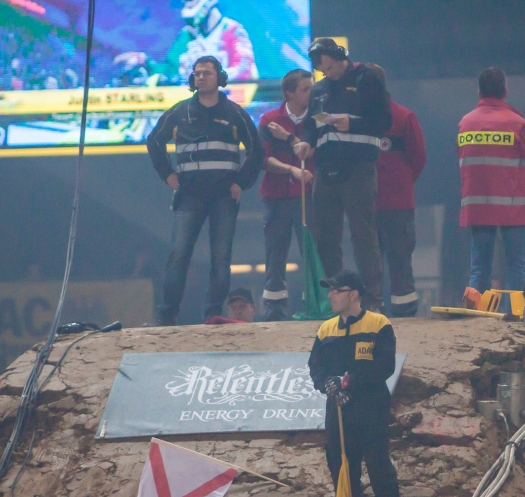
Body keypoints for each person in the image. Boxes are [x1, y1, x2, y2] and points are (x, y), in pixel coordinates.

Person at [147, 56, 263, 326]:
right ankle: (167, 315)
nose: (201, 77)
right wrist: (167, 174)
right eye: (197, 73)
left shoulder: (234, 112)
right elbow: (154, 141)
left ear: (219, 78)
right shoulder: (179, 112)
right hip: (189, 195)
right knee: (178, 255)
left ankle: (212, 314)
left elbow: (257, 150)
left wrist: (241, 183)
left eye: (207, 73)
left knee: (220, 259)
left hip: (224, 196)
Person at [293, 38, 392, 312]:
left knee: (363, 235)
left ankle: (372, 299)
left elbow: (385, 121)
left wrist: (353, 123)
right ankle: (334, 300)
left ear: (341, 56)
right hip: (325, 170)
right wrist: (306, 143)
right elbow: (311, 126)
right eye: (323, 71)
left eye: (331, 67)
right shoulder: (319, 89)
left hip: (359, 168)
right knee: (325, 237)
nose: (329, 74)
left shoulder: (367, 79)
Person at [307, 270, 401, 497]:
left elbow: (385, 366)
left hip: (371, 410)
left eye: (337, 290)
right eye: (330, 290)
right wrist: (327, 385)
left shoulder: (379, 324)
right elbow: (315, 367)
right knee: (343, 473)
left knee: (379, 470)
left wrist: (349, 381)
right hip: (338, 412)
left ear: (354, 294)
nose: (330, 295)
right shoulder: (326, 329)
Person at [457, 66, 525, 297]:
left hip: (479, 207)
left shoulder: (465, 124)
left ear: (479, 92)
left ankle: (476, 314)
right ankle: (512, 314)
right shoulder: (517, 124)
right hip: (514, 207)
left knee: (479, 269)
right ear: (505, 91)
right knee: (516, 266)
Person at [367, 64, 427, 317]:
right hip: (367, 204)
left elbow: (418, 157)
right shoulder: (357, 120)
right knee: (371, 262)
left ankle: (404, 311)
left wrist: (402, 184)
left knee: (398, 260)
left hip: (394, 204)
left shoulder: (403, 117)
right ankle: (373, 311)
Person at [257, 69, 315, 321]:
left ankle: (313, 304)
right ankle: (274, 310)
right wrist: (291, 170)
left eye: (312, 88)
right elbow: (263, 160)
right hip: (276, 197)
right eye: (305, 89)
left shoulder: (316, 120)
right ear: (289, 93)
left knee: (311, 252)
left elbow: (313, 152)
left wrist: (290, 139)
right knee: (275, 254)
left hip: (308, 196)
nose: (311, 94)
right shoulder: (269, 120)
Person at [113, 0, 257, 84]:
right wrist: (144, 62)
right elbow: (171, 70)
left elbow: (243, 70)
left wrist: (208, 79)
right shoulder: (186, 35)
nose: (187, 5)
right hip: (191, 108)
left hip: (227, 106)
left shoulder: (232, 30)